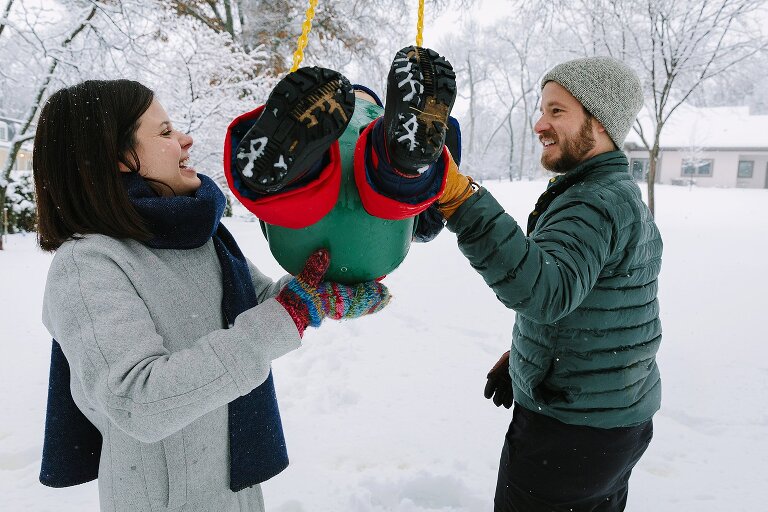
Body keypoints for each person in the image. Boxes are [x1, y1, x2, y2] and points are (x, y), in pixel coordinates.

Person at [33, 79, 391, 512]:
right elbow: (137, 400)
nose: (186, 139)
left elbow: (261, 308)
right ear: (117, 158)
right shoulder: (87, 265)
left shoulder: (196, 235)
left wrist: (315, 296)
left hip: (234, 488)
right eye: (164, 133)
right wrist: (289, 314)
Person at [434, 56, 662, 511]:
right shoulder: (618, 195)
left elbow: (547, 293)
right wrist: (530, 357)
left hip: (568, 435)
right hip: (616, 422)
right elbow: (607, 309)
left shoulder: (591, 204)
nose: (540, 124)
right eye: (542, 110)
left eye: (557, 111)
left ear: (599, 122)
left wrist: (462, 201)